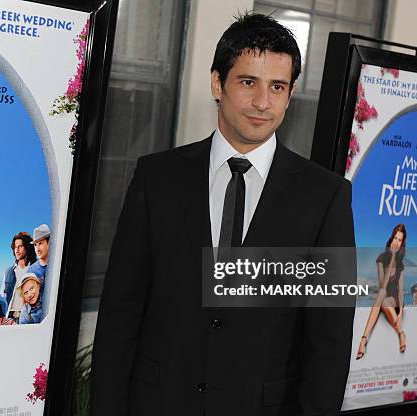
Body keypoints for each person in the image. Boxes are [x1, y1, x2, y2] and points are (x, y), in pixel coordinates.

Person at [90, 13, 355, 416]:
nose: (263, 103)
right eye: (248, 82)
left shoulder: (326, 197)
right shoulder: (156, 178)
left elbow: (329, 345)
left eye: (277, 87)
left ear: (290, 93)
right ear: (218, 83)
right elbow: (119, 316)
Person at [356, 224, 407, 360]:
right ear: (391, 239)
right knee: (382, 293)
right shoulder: (381, 258)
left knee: (385, 296)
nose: (396, 242)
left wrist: (401, 311)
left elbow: (401, 290)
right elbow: (382, 284)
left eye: (400, 240)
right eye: (395, 238)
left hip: (394, 299)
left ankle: (364, 340)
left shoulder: (401, 264)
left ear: (402, 244)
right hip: (384, 296)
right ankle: (365, 339)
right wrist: (391, 259)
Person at [1, 232, 36, 322]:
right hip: (10, 316)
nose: (17, 250)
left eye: (20, 246)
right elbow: (2, 295)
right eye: (15, 247)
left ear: (27, 247)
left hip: (30, 316)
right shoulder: (9, 271)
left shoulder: (36, 269)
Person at [25, 224, 50, 318]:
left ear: (49, 243)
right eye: (35, 245)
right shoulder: (31, 271)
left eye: (40, 243)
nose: (37, 249)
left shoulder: (57, 266)